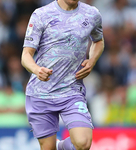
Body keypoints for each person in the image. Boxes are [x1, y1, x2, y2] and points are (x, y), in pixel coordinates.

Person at [21, 0, 104, 150]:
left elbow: (98, 41)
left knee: (83, 143)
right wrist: (36, 69)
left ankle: (60, 147)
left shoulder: (92, 14)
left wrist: (92, 60)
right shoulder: (41, 14)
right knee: (48, 148)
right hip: (41, 93)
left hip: (72, 90)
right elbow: (26, 55)